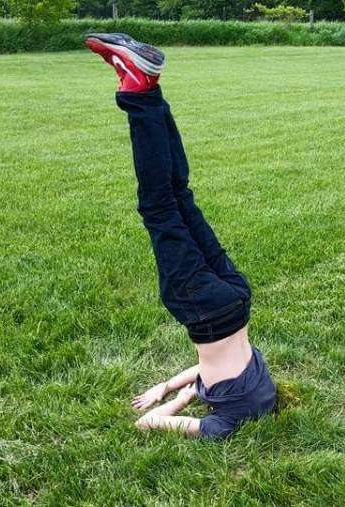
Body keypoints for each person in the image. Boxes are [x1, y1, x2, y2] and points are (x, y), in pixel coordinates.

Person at [84, 33, 276, 440]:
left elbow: (205, 374)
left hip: (237, 299)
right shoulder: (225, 424)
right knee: (158, 208)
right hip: (206, 310)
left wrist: (171, 386)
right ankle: (138, 91)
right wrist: (168, 401)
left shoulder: (260, 392)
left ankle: (148, 87)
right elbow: (150, 422)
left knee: (179, 195)